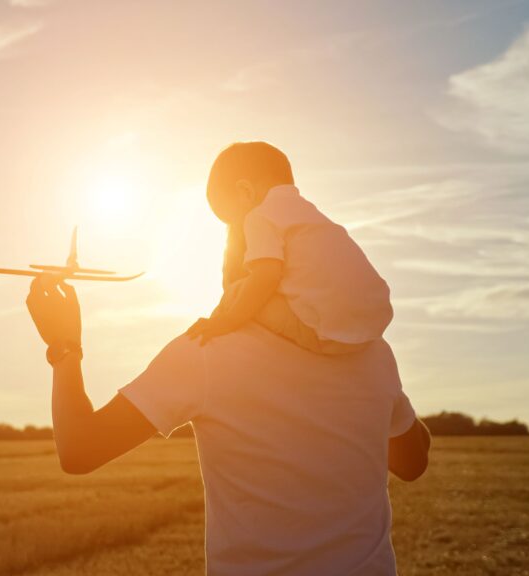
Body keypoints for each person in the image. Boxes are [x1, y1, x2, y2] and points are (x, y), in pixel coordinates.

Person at [24, 149, 430, 576]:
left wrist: (64, 345)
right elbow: (412, 462)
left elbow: (79, 449)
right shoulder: (372, 352)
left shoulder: (206, 351)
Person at [186, 142, 394, 355]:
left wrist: (228, 320)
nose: (239, 230)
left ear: (245, 191)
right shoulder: (309, 213)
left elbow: (266, 277)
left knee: (238, 292)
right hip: (373, 323)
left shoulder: (259, 216)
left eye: (235, 219)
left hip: (326, 333)